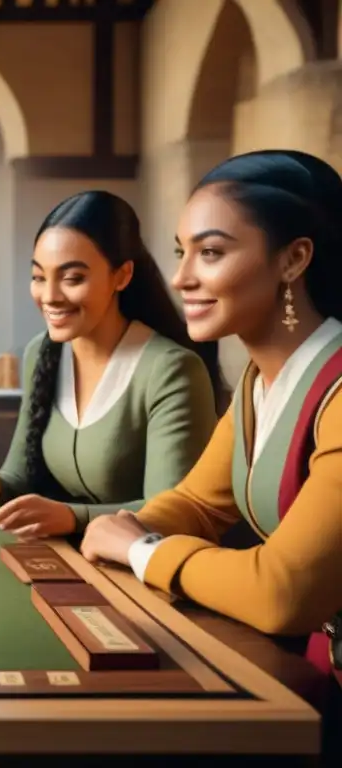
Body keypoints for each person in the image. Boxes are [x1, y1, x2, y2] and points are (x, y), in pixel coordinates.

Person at [79, 150, 342, 679]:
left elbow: (282, 592)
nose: (180, 279)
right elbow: (199, 503)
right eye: (182, 253)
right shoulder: (256, 383)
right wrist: (128, 525)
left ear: (294, 259)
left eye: (211, 253)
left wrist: (142, 549)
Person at [0, 191, 222, 538]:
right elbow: (19, 475)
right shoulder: (43, 351)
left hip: (144, 569)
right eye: (39, 277)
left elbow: (172, 512)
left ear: (122, 276)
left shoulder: (171, 370)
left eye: (72, 278)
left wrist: (71, 516)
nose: (49, 296)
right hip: (71, 558)